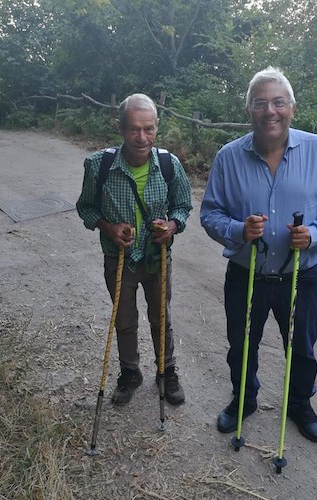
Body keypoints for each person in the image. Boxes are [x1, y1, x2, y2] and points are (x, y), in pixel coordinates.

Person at [200, 66, 317, 441]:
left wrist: (315, 233)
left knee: (302, 347)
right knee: (242, 345)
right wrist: (238, 230)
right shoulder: (228, 157)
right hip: (245, 274)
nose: (271, 111)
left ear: (292, 108)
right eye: (261, 103)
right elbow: (210, 213)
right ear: (249, 111)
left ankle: (300, 403)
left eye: (278, 102)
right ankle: (244, 399)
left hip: (302, 276)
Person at [77, 93, 192, 406]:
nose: (142, 137)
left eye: (149, 129)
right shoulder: (99, 165)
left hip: (157, 259)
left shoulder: (169, 164)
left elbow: (183, 205)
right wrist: (109, 228)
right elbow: (85, 207)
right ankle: (130, 373)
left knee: (161, 317)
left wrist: (172, 225)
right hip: (119, 259)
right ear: (120, 128)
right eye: (134, 129)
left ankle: (166, 371)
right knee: (124, 320)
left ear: (156, 128)